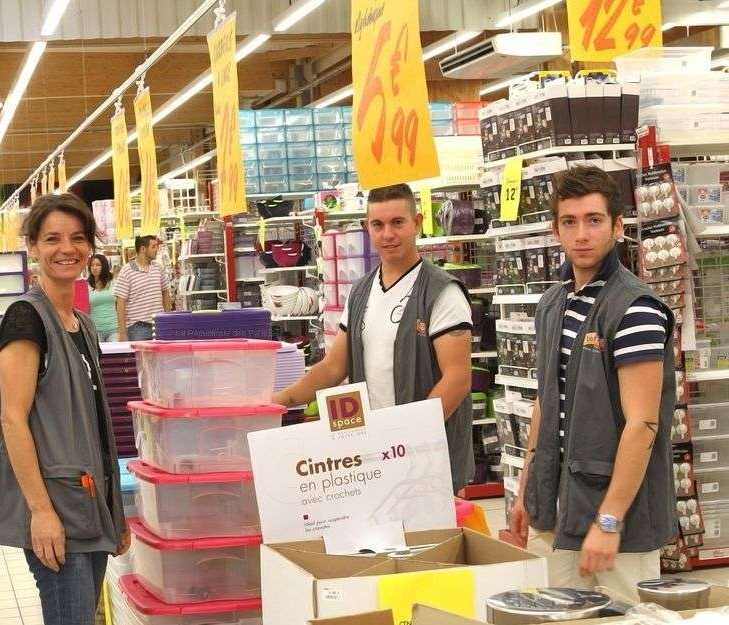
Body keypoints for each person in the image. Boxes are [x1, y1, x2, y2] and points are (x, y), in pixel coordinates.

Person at [509, 166, 677, 598]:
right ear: (556, 230)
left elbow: (643, 425)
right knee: (560, 614)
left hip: (620, 519)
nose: (581, 234)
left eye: (594, 220)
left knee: (629, 616)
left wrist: (609, 519)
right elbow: (547, 402)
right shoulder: (552, 304)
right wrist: (529, 489)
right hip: (560, 512)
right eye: (570, 222)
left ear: (618, 227)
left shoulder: (635, 309)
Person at [271, 183, 475, 493]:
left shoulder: (441, 292)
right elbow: (333, 368)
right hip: (376, 456)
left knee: (429, 541)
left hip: (428, 459)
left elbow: (457, 380)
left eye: (398, 223)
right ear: (368, 228)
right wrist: (278, 402)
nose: (388, 234)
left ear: (417, 223)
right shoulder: (361, 291)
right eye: (378, 225)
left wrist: (409, 439)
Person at [0, 193, 127, 625]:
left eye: (78, 238)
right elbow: (12, 419)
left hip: (90, 504)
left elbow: (95, 426)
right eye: (52, 239)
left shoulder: (81, 323)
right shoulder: (25, 319)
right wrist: (41, 511)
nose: (67, 249)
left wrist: (115, 511)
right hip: (55, 508)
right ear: (33, 247)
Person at [113, 235, 171, 341]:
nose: (157, 250)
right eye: (153, 247)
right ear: (143, 249)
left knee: (162, 357)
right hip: (137, 328)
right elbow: (120, 303)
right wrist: (122, 332)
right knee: (140, 358)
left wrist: (167, 319)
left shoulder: (158, 268)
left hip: (159, 325)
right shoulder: (127, 271)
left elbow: (166, 292)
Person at [88, 254, 119, 342]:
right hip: (95, 330)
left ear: (104, 266)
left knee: (116, 354)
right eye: (92, 265)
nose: (94, 268)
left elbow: (120, 304)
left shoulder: (114, 282)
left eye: (98, 265)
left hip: (114, 329)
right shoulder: (87, 285)